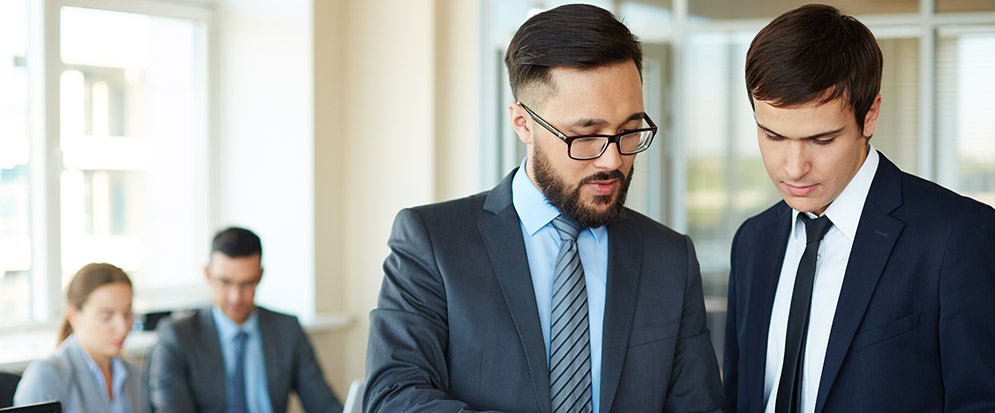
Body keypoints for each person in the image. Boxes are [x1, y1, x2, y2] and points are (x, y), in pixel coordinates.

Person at [364, 4, 723, 413]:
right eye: (584, 135)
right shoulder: (431, 241)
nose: (611, 160)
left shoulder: (671, 258)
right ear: (523, 123)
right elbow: (394, 398)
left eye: (628, 131)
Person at [722, 4, 995, 412]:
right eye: (773, 136)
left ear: (869, 115)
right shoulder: (753, 240)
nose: (793, 169)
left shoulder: (957, 237)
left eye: (821, 140)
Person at [147, 227, 342, 413]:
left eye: (247, 284)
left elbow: (324, 405)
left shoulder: (287, 329)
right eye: (225, 282)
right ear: (208, 274)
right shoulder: (178, 336)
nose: (236, 297)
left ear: (260, 275)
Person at [14, 263, 150, 412]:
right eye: (106, 317)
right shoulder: (46, 376)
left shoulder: (132, 374)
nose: (123, 328)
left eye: (127, 314)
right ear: (74, 316)